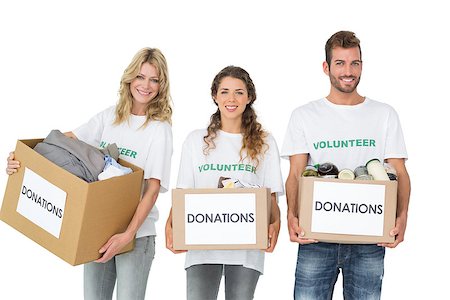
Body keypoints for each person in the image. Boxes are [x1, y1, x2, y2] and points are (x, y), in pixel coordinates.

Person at [6, 47, 173, 300]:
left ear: (161, 85)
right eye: (141, 76)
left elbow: (151, 190)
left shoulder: (159, 129)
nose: (146, 85)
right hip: (98, 231)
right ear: (130, 78)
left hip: (136, 236)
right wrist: (22, 159)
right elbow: (64, 143)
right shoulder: (110, 117)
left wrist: (127, 234)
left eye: (154, 79)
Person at [281, 31, 411, 299]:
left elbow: (399, 171)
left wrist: (401, 217)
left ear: (362, 65)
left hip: (369, 237)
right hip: (316, 236)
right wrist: (291, 215)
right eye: (340, 63)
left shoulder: (384, 114)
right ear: (326, 67)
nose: (348, 71)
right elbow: (295, 174)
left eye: (355, 63)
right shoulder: (304, 115)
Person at [165, 66, 283, 300]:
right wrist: (171, 226)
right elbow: (183, 194)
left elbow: (270, 198)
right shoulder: (195, 141)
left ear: (249, 97)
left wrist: (276, 223)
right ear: (214, 96)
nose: (231, 99)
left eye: (239, 92)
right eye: (225, 92)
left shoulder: (265, 142)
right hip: (202, 248)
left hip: (246, 251)